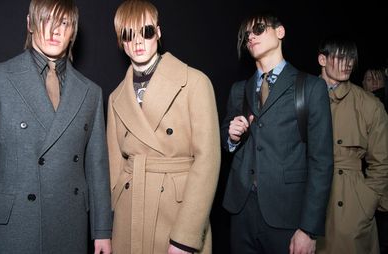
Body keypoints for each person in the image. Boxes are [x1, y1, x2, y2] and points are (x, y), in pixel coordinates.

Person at [0, 0, 112, 253]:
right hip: (15, 230)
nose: (55, 30)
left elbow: (97, 166)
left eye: (64, 23)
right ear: (30, 23)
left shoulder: (90, 92)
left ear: (73, 32)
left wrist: (102, 231)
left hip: (70, 227)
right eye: (46, 19)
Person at [106, 0, 221, 253]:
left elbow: (208, 162)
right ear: (121, 41)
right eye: (128, 34)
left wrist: (185, 237)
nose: (138, 41)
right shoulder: (116, 98)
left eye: (146, 31)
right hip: (129, 217)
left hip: (176, 214)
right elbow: (115, 167)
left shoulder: (194, 82)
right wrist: (110, 222)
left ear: (158, 32)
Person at [221, 11, 334, 254]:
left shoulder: (311, 87)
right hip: (241, 210)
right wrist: (230, 137)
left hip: (288, 215)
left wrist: (308, 229)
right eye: (246, 34)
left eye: (259, 29)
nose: (251, 36)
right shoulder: (239, 90)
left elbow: (321, 162)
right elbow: (225, 139)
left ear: (280, 32)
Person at [315, 35, 388, 254]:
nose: (348, 63)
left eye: (351, 58)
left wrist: (366, 203)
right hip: (308, 202)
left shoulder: (369, 105)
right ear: (322, 60)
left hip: (351, 206)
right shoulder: (302, 96)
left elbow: (382, 162)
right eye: (341, 57)